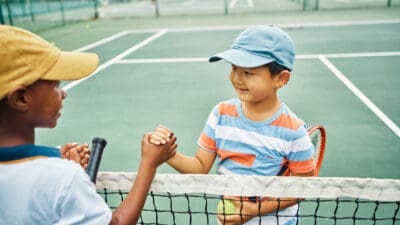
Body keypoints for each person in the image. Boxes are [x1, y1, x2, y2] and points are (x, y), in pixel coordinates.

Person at [0, 25, 177, 225]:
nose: (63, 92)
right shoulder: (64, 179)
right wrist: (149, 164)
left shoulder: (60, 172)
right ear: (21, 98)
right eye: (56, 85)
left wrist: (55, 155)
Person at [150, 25, 315, 225]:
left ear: (281, 79)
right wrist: (170, 154)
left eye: (248, 72)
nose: (237, 78)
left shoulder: (294, 131)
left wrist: (256, 210)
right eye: (234, 68)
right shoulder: (220, 115)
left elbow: (304, 187)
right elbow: (200, 167)